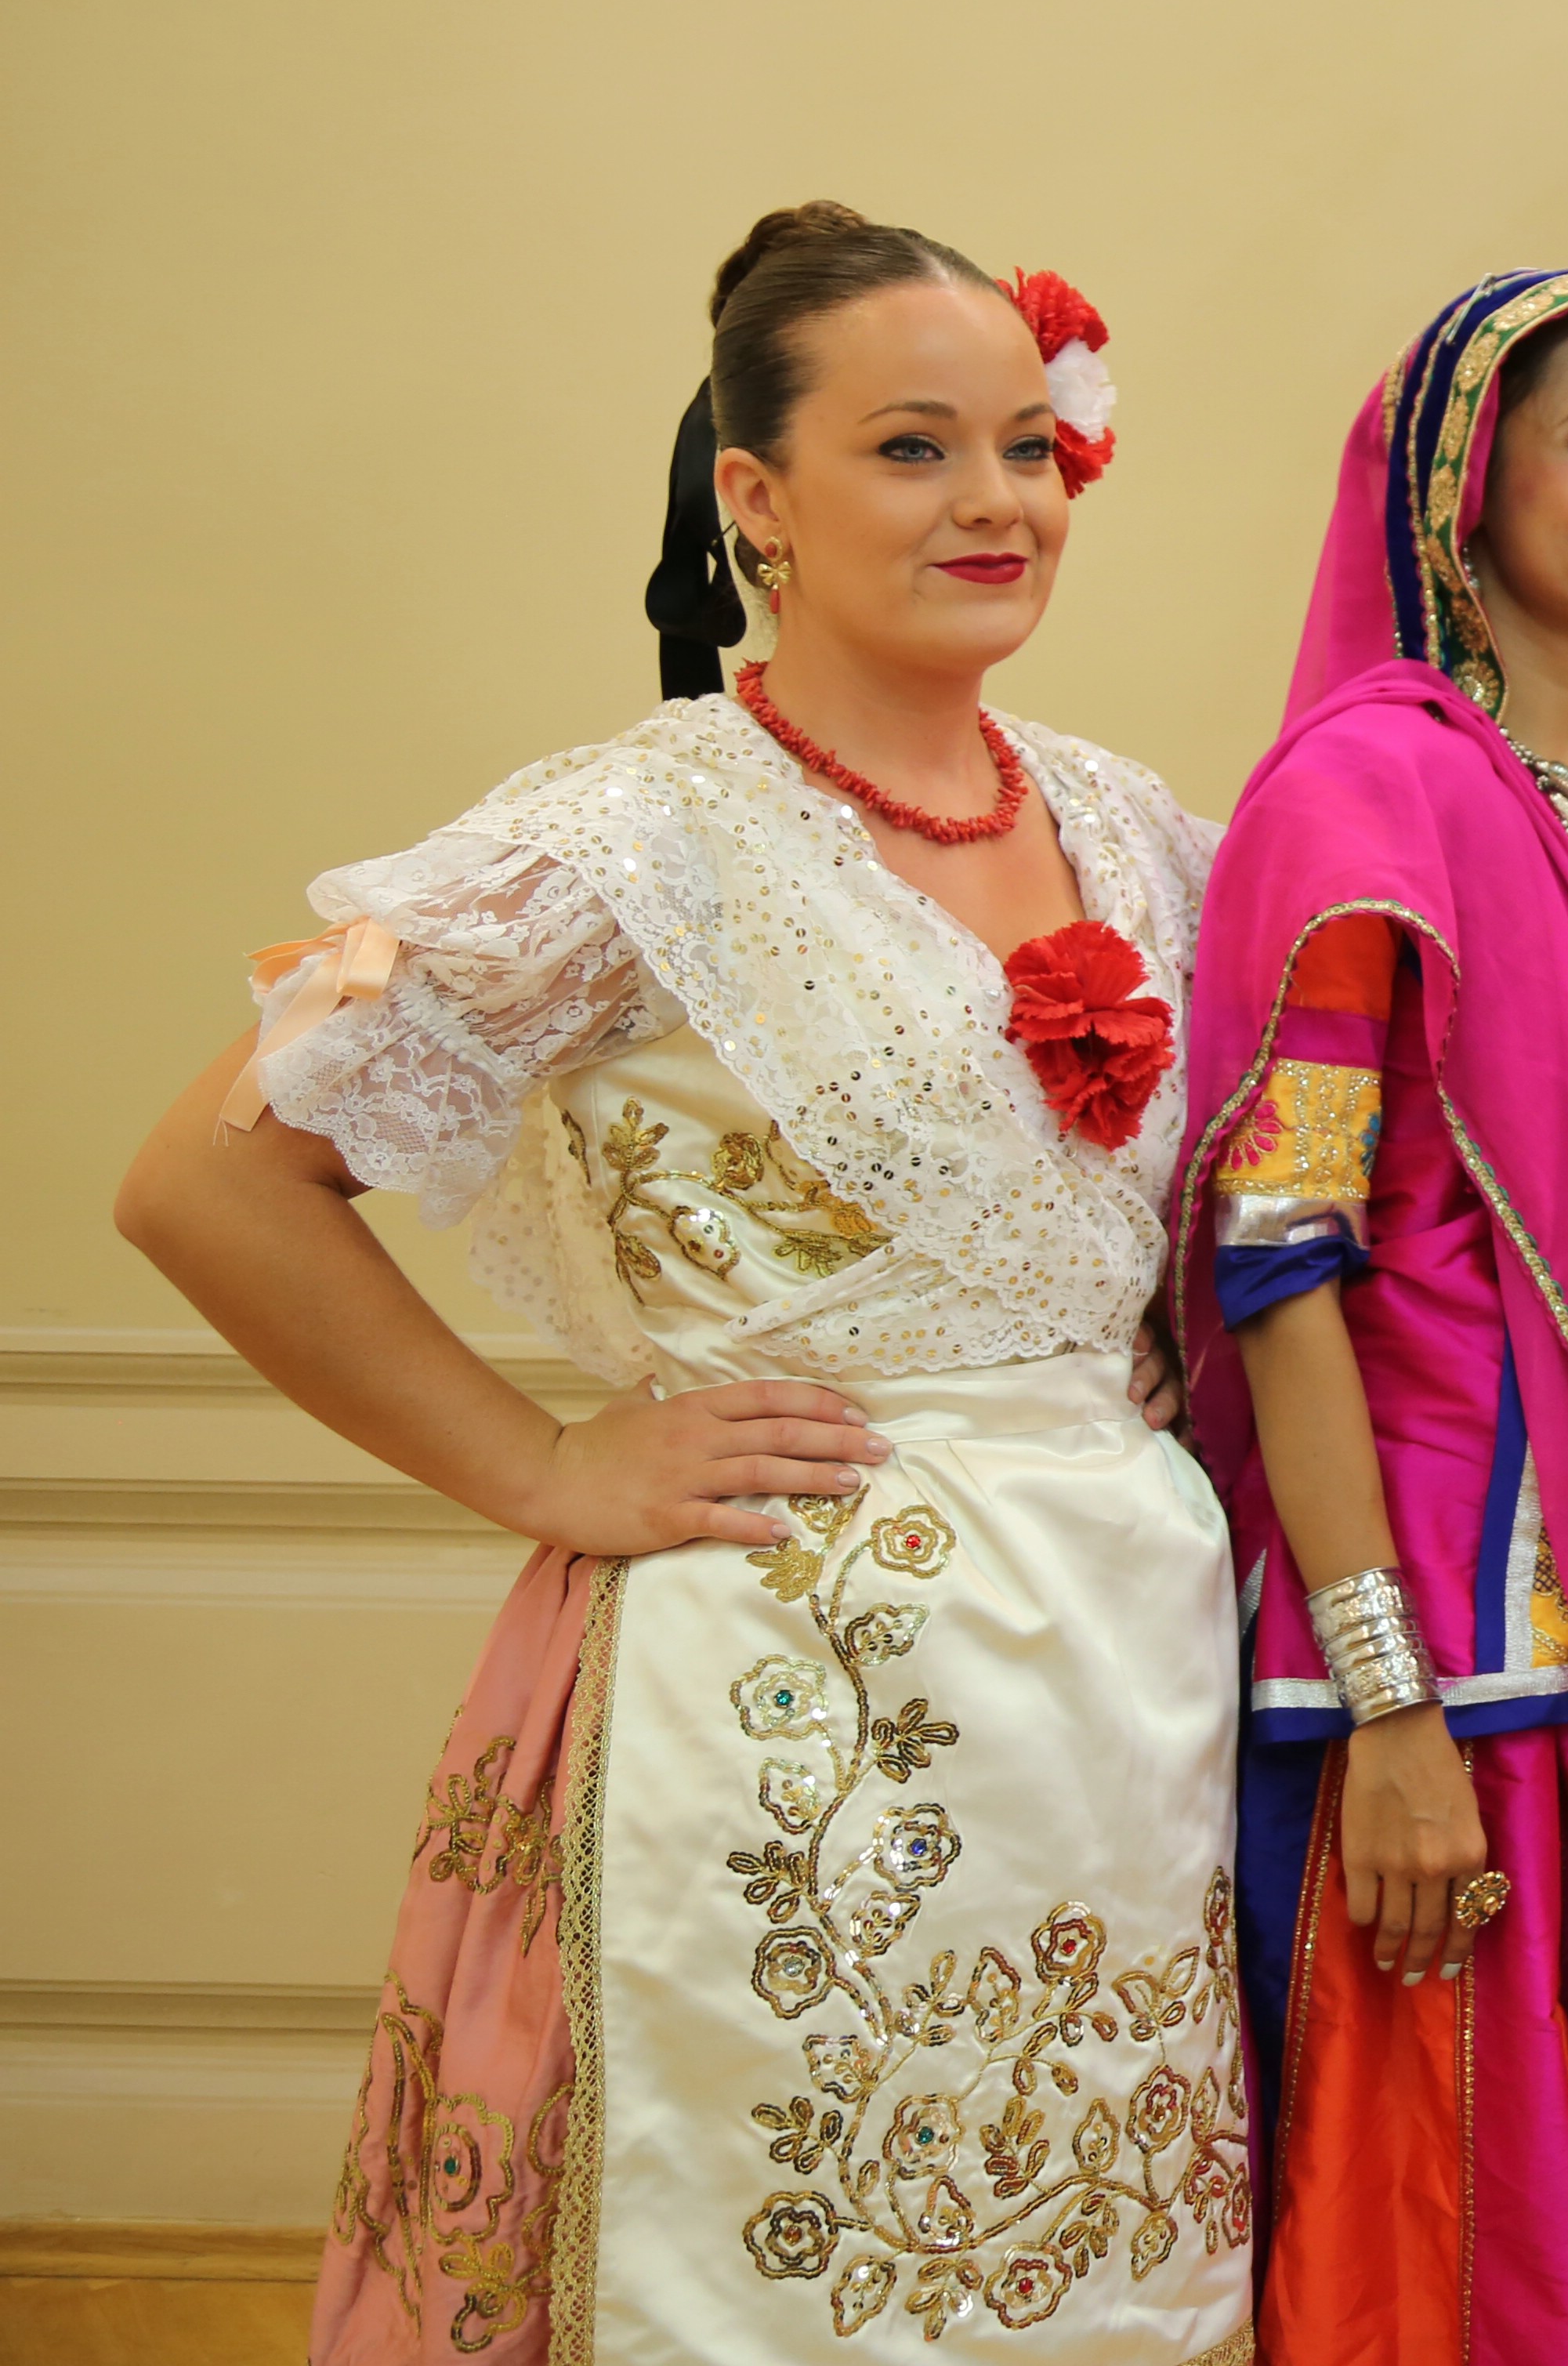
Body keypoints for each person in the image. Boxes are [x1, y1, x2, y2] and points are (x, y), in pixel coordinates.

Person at [113, 205, 1251, 2364]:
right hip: (790, 1706)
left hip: (1127, 1698)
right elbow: (207, 1181)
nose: (997, 500)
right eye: (912, 447)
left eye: (1028, 446)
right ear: (760, 497)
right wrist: (546, 1466)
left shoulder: (1135, 827)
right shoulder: (632, 841)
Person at [1178, 273, 1568, 2364]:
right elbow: (1282, 1262)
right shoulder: (1367, 799)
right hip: (1454, 1634)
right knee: (1456, 2248)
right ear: (1463, 485)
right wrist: (1391, 1708)